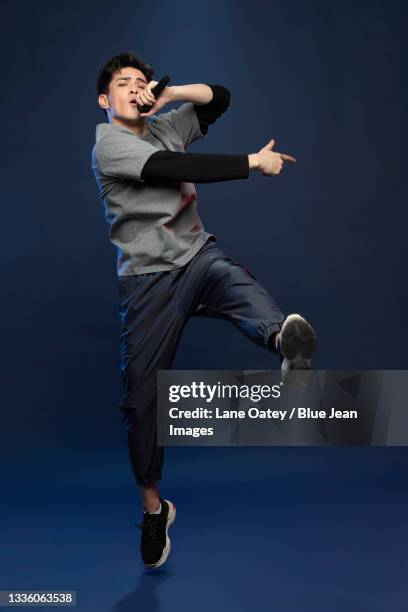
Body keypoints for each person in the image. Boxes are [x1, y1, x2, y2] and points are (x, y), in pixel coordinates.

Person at [91, 51, 317, 569]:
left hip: (196, 258)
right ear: (105, 100)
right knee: (142, 404)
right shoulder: (110, 144)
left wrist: (170, 95)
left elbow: (220, 99)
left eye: (142, 82)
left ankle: (285, 342)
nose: (136, 89)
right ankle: (154, 509)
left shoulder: (165, 123)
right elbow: (174, 167)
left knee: (231, 277)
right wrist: (251, 164)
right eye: (124, 84)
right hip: (147, 284)